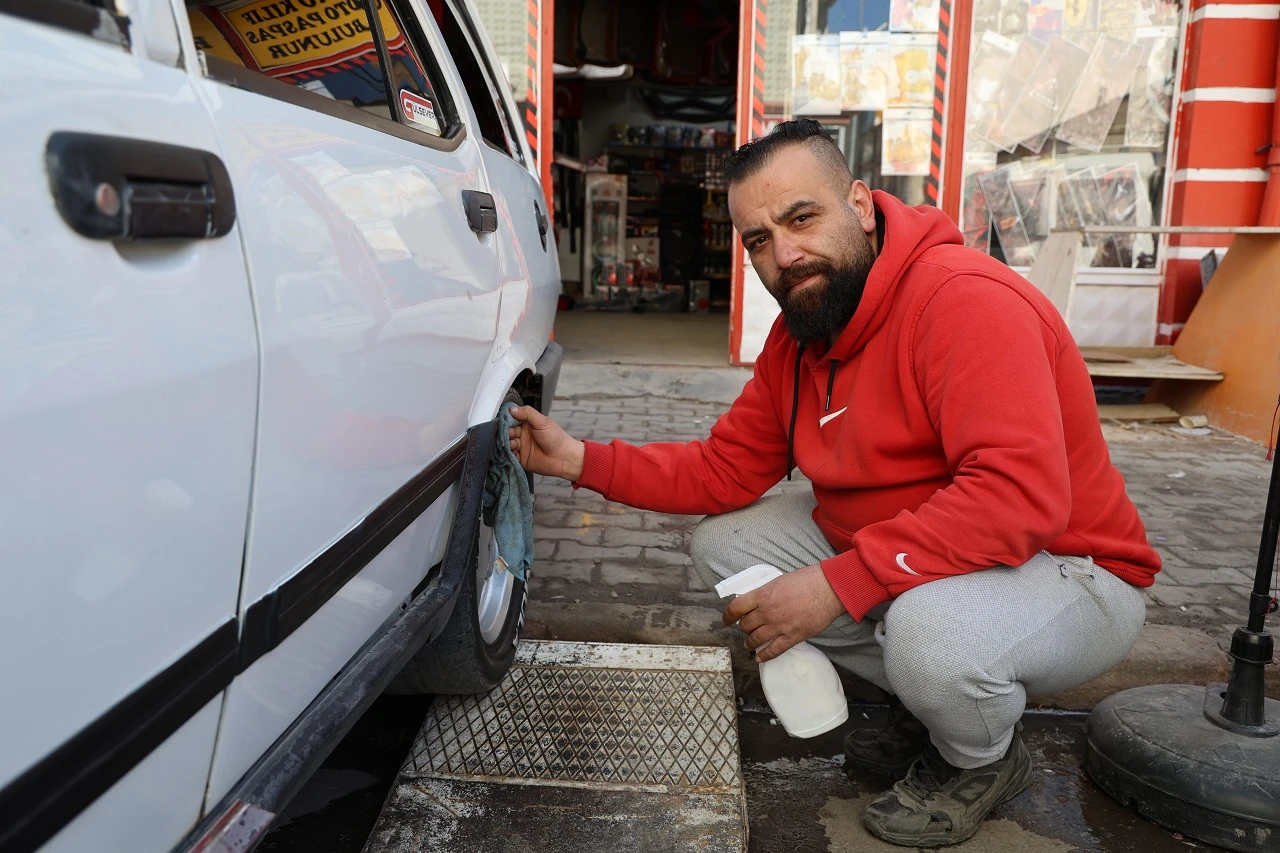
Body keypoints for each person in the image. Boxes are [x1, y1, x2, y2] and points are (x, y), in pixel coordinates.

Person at [508, 119, 1160, 848]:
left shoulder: (965, 302)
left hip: (1076, 573)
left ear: (859, 201)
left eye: (801, 217)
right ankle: (928, 701)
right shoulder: (801, 335)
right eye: (758, 239)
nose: (784, 254)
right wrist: (580, 459)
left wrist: (834, 586)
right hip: (940, 563)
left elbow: (1019, 500)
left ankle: (979, 757)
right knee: (727, 545)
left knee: (929, 635)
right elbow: (724, 470)